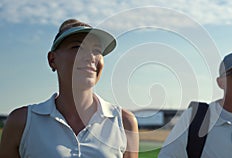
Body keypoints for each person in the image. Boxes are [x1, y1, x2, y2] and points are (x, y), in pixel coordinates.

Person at [0, 19, 139, 158]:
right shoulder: (22, 121)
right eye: (77, 47)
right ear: (52, 60)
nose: (91, 57)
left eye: (96, 50)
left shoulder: (124, 122)